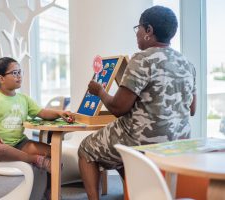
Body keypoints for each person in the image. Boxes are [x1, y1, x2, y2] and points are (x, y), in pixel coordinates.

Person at [78, 5, 196, 200]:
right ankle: (137, 193)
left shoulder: (141, 59)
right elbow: (192, 109)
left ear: (149, 30)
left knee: (86, 148)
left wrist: (99, 91)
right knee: (119, 151)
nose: (137, 34)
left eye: (138, 28)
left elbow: (118, 108)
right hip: (177, 142)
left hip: (142, 141)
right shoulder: (187, 63)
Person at [0, 57, 74, 198]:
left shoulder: (23, 98)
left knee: (54, 152)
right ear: (1, 78)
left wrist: (59, 113)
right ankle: (34, 160)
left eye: (20, 72)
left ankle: (49, 191)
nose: (19, 76)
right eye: (14, 73)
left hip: (21, 144)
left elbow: (43, 113)